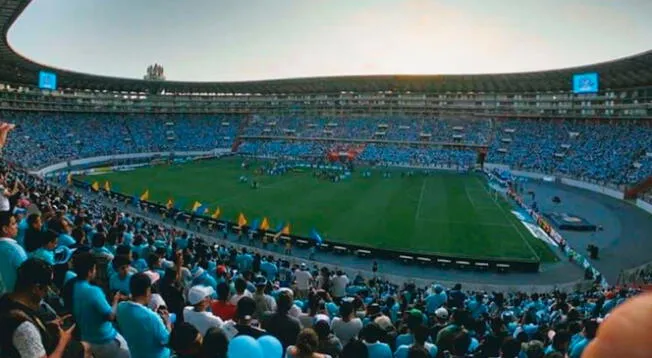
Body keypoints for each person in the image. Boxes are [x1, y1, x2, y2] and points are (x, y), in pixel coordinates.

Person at [0, 259, 84, 358]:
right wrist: (63, 340)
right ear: (36, 288)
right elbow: (26, 333)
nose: (46, 293)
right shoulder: (24, 327)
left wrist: (46, 327)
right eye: (46, 289)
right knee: (85, 347)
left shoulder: (6, 301)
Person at [65, 252, 130, 358]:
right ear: (90, 271)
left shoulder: (73, 286)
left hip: (86, 339)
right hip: (104, 340)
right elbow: (111, 316)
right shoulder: (93, 291)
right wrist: (115, 300)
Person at [116, 272, 171, 358]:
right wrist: (168, 323)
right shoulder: (152, 317)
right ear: (147, 291)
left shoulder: (120, 307)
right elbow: (167, 341)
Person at [0, 212, 26, 295]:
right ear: (5, 229)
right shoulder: (15, 250)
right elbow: (28, 276)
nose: (17, 226)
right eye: (13, 224)